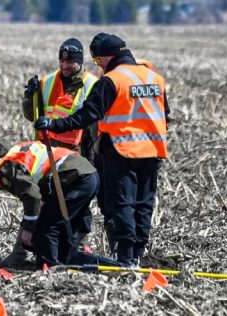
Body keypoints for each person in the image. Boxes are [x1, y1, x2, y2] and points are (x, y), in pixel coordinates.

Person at [34, 33, 170, 266]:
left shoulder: (112, 80)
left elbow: (86, 115)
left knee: (123, 203)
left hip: (121, 150)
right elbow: (165, 115)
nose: (98, 67)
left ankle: (126, 257)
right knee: (144, 204)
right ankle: (138, 253)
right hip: (153, 150)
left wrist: (54, 124)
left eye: (97, 61)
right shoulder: (154, 77)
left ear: (107, 57)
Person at [0, 140, 118, 268]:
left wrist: (28, 229)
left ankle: (50, 269)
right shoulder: (13, 154)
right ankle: (94, 264)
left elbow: (32, 196)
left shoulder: (2, 168)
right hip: (86, 174)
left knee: (47, 227)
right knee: (62, 240)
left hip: (74, 178)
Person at [21, 38, 98, 153]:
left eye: (69, 62)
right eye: (62, 61)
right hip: (45, 148)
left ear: (80, 62)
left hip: (74, 152)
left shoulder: (93, 84)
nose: (64, 65)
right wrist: (30, 96)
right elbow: (31, 116)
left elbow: (95, 130)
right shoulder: (47, 81)